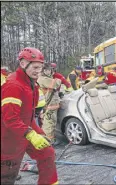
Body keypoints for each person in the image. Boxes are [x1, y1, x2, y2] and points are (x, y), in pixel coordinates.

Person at [1, 47, 58, 185]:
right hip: (9, 139)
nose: (38, 71)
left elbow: (29, 115)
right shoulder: (13, 85)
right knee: (7, 176)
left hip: (26, 130)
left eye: (41, 67)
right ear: (23, 64)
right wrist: (31, 135)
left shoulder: (31, 84)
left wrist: (39, 133)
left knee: (47, 153)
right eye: (35, 67)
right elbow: (10, 119)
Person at [37, 63, 61, 145]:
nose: (48, 71)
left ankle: (49, 139)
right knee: (49, 124)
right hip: (48, 106)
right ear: (43, 71)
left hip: (50, 105)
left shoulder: (46, 78)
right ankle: (48, 141)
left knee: (50, 123)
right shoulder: (43, 79)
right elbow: (56, 83)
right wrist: (58, 80)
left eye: (49, 70)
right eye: (46, 70)